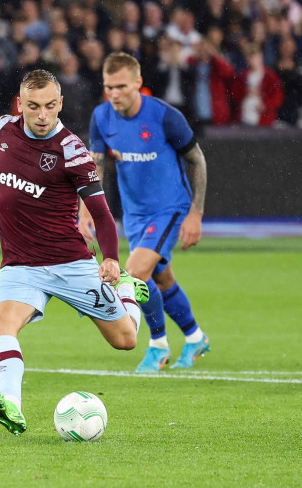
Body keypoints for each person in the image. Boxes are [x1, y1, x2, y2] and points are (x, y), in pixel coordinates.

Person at [0, 69, 149, 435]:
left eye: (50, 106)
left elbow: (101, 213)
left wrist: (112, 259)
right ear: (20, 104)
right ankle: (12, 406)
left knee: (126, 340)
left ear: (61, 104)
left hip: (71, 264)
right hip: (21, 265)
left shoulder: (73, 152)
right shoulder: (6, 128)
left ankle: (128, 291)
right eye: (34, 107)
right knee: (0, 324)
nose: (42, 115)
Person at [79, 52, 210, 374]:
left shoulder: (165, 116)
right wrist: (85, 212)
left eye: (121, 86)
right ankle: (195, 337)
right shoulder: (101, 117)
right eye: (109, 87)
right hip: (134, 214)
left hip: (169, 208)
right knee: (161, 279)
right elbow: (93, 167)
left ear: (138, 83)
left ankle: (158, 345)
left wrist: (195, 214)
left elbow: (198, 160)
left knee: (135, 272)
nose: (114, 94)